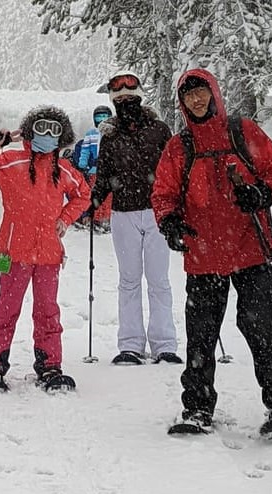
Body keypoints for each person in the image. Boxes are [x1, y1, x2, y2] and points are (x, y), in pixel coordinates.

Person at [151, 68, 272, 435]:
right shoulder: (180, 145)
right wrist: (168, 222)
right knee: (201, 335)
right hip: (203, 256)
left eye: (201, 92)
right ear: (182, 103)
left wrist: (261, 194)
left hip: (251, 249)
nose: (196, 100)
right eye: (189, 96)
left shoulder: (243, 131)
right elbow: (163, 194)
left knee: (262, 328)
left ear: (214, 92)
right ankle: (197, 409)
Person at [0, 105, 91, 392]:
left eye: (54, 129)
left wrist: (64, 219)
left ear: (63, 136)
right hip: (13, 253)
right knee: (6, 310)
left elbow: (83, 195)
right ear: (30, 130)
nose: (47, 134)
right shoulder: (10, 162)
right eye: (42, 127)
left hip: (49, 254)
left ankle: (50, 366)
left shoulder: (64, 170)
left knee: (48, 311)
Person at [90, 70, 182, 366]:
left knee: (158, 280)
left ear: (140, 97)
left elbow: (172, 171)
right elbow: (103, 174)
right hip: (123, 214)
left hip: (157, 213)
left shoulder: (159, 129)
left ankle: (164, 345)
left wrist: (179, 204)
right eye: (120, 98)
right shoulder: (110, 135)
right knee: (128, 280)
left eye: (131, 97)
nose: (125, 101)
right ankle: (130, 345)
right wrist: (94, 198)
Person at [75, 105, 113, 233]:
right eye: (99, 117)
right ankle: (96, 218)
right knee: (96, 194)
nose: (102, 119)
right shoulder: (91, 134)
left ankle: (106, 218)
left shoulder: (113, 132)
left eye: (105, 116)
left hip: (108, 171)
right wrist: (83, 163)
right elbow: (85, 150)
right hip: (94, 171)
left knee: (108, 196)